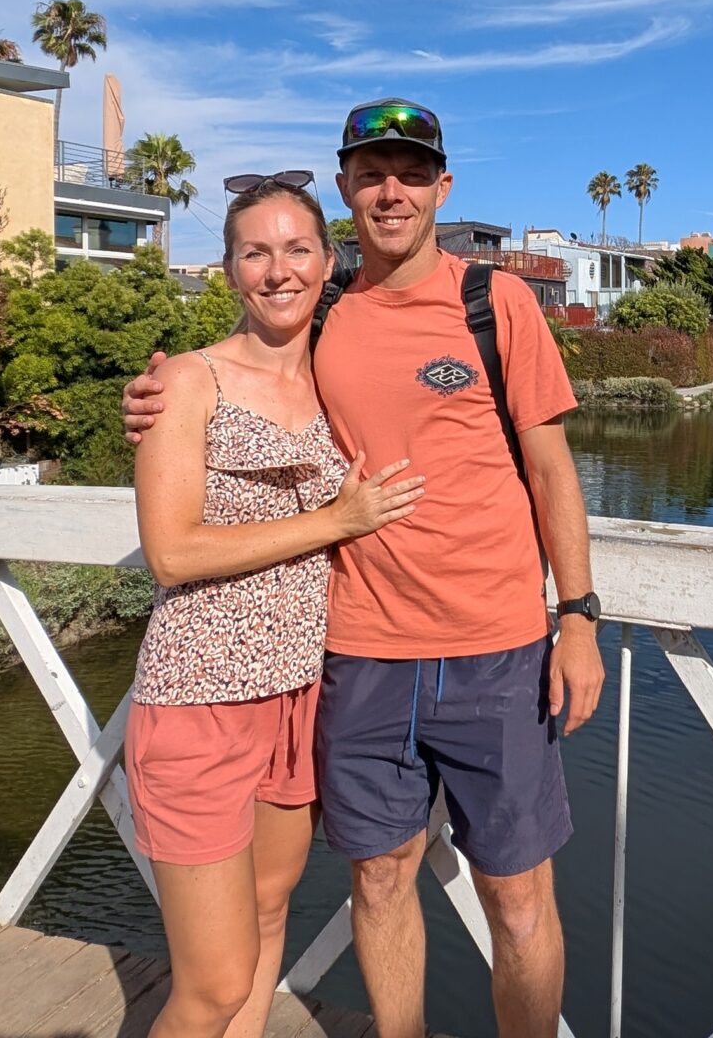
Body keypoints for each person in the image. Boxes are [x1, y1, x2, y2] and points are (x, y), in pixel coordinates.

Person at [125, 99, 604, 1038]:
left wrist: (578, 617)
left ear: (443, 187)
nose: (392, 192)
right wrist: (149, 396)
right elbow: (226, 374)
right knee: (379, 880)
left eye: (412, 174)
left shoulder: (494, 303)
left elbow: (552, 470)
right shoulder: (328, 308)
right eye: (372, 174)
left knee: (516, 898)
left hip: (497, 650)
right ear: (345, 187)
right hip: (356, 655)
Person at [128, 174, 427, 1038]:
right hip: (198, 698)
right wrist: (333, 520)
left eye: (297, 249)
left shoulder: (339, 380)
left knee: (267, 919)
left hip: (299, 695)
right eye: (255, 252)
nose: (278, 270)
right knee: (213, 984)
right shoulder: (189, 381)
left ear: (326, 262)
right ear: (228, 271)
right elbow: (172, 550)